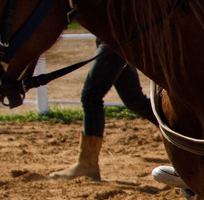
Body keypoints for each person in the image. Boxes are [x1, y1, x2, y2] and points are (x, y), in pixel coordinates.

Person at [51, 45, 152, 182]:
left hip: (114, 40)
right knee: (135, 100)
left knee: (91, 97)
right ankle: (179, 132)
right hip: (115, 40)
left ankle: (88, 163)